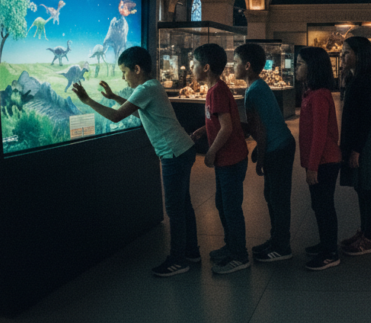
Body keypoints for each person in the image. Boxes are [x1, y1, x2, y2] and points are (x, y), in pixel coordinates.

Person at [72, 46, 198, 278]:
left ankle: (178, 260)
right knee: (184, 206)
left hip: (173, 154)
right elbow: (139, 111)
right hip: (183, 149)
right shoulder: (151, 87)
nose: (122, 77)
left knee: (175, 210)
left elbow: (117, 116)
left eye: (124, 72)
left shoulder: (145, 88)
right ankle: (192, 251)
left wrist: (88, 100)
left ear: (137, 69)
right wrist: (114, 97)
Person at [189, 43, 250, 275]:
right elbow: (216, 121)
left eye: (194, 64)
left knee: (231, 208)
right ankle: (232, 246)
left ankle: (240, 255)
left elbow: (226, 128)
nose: (191, 67)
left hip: (230, 159)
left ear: (205, 67)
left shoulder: (217, 91)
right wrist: (202, 130)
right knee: (223, 205)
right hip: (228, 159)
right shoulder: (215, 89)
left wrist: (211, 152)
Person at [233, 43, 296, 263]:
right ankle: (276, 239)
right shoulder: (258, 86)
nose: (233, 66)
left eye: (236, 62)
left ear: (248, 66)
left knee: (277, 198)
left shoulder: (253, 92)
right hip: (281, 145)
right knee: (272, 196)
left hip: (277, 148)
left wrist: (260, 158)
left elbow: (260, 128)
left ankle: (282, 246)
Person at [338, 37, 371, 256]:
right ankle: (364, 231)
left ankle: (370, 237)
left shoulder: (365, 81)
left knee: (367, 190)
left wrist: (356, 149)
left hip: (365, 141)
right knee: (361, 188)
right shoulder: (356, 78)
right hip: (360, 140)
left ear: (360, 55)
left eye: (347, 52)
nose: (343, 56)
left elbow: (366, 118)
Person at [296, 47, 342, 270]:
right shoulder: (311, 94)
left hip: (325, 161)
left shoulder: (320, 96)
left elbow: (319, 134)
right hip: (318, 161)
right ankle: (325, 243)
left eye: (300, 64)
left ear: (312, 67)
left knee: (324, 206)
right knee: (318, 205)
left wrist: (312, 166)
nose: (296, 68)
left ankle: (331, 252)